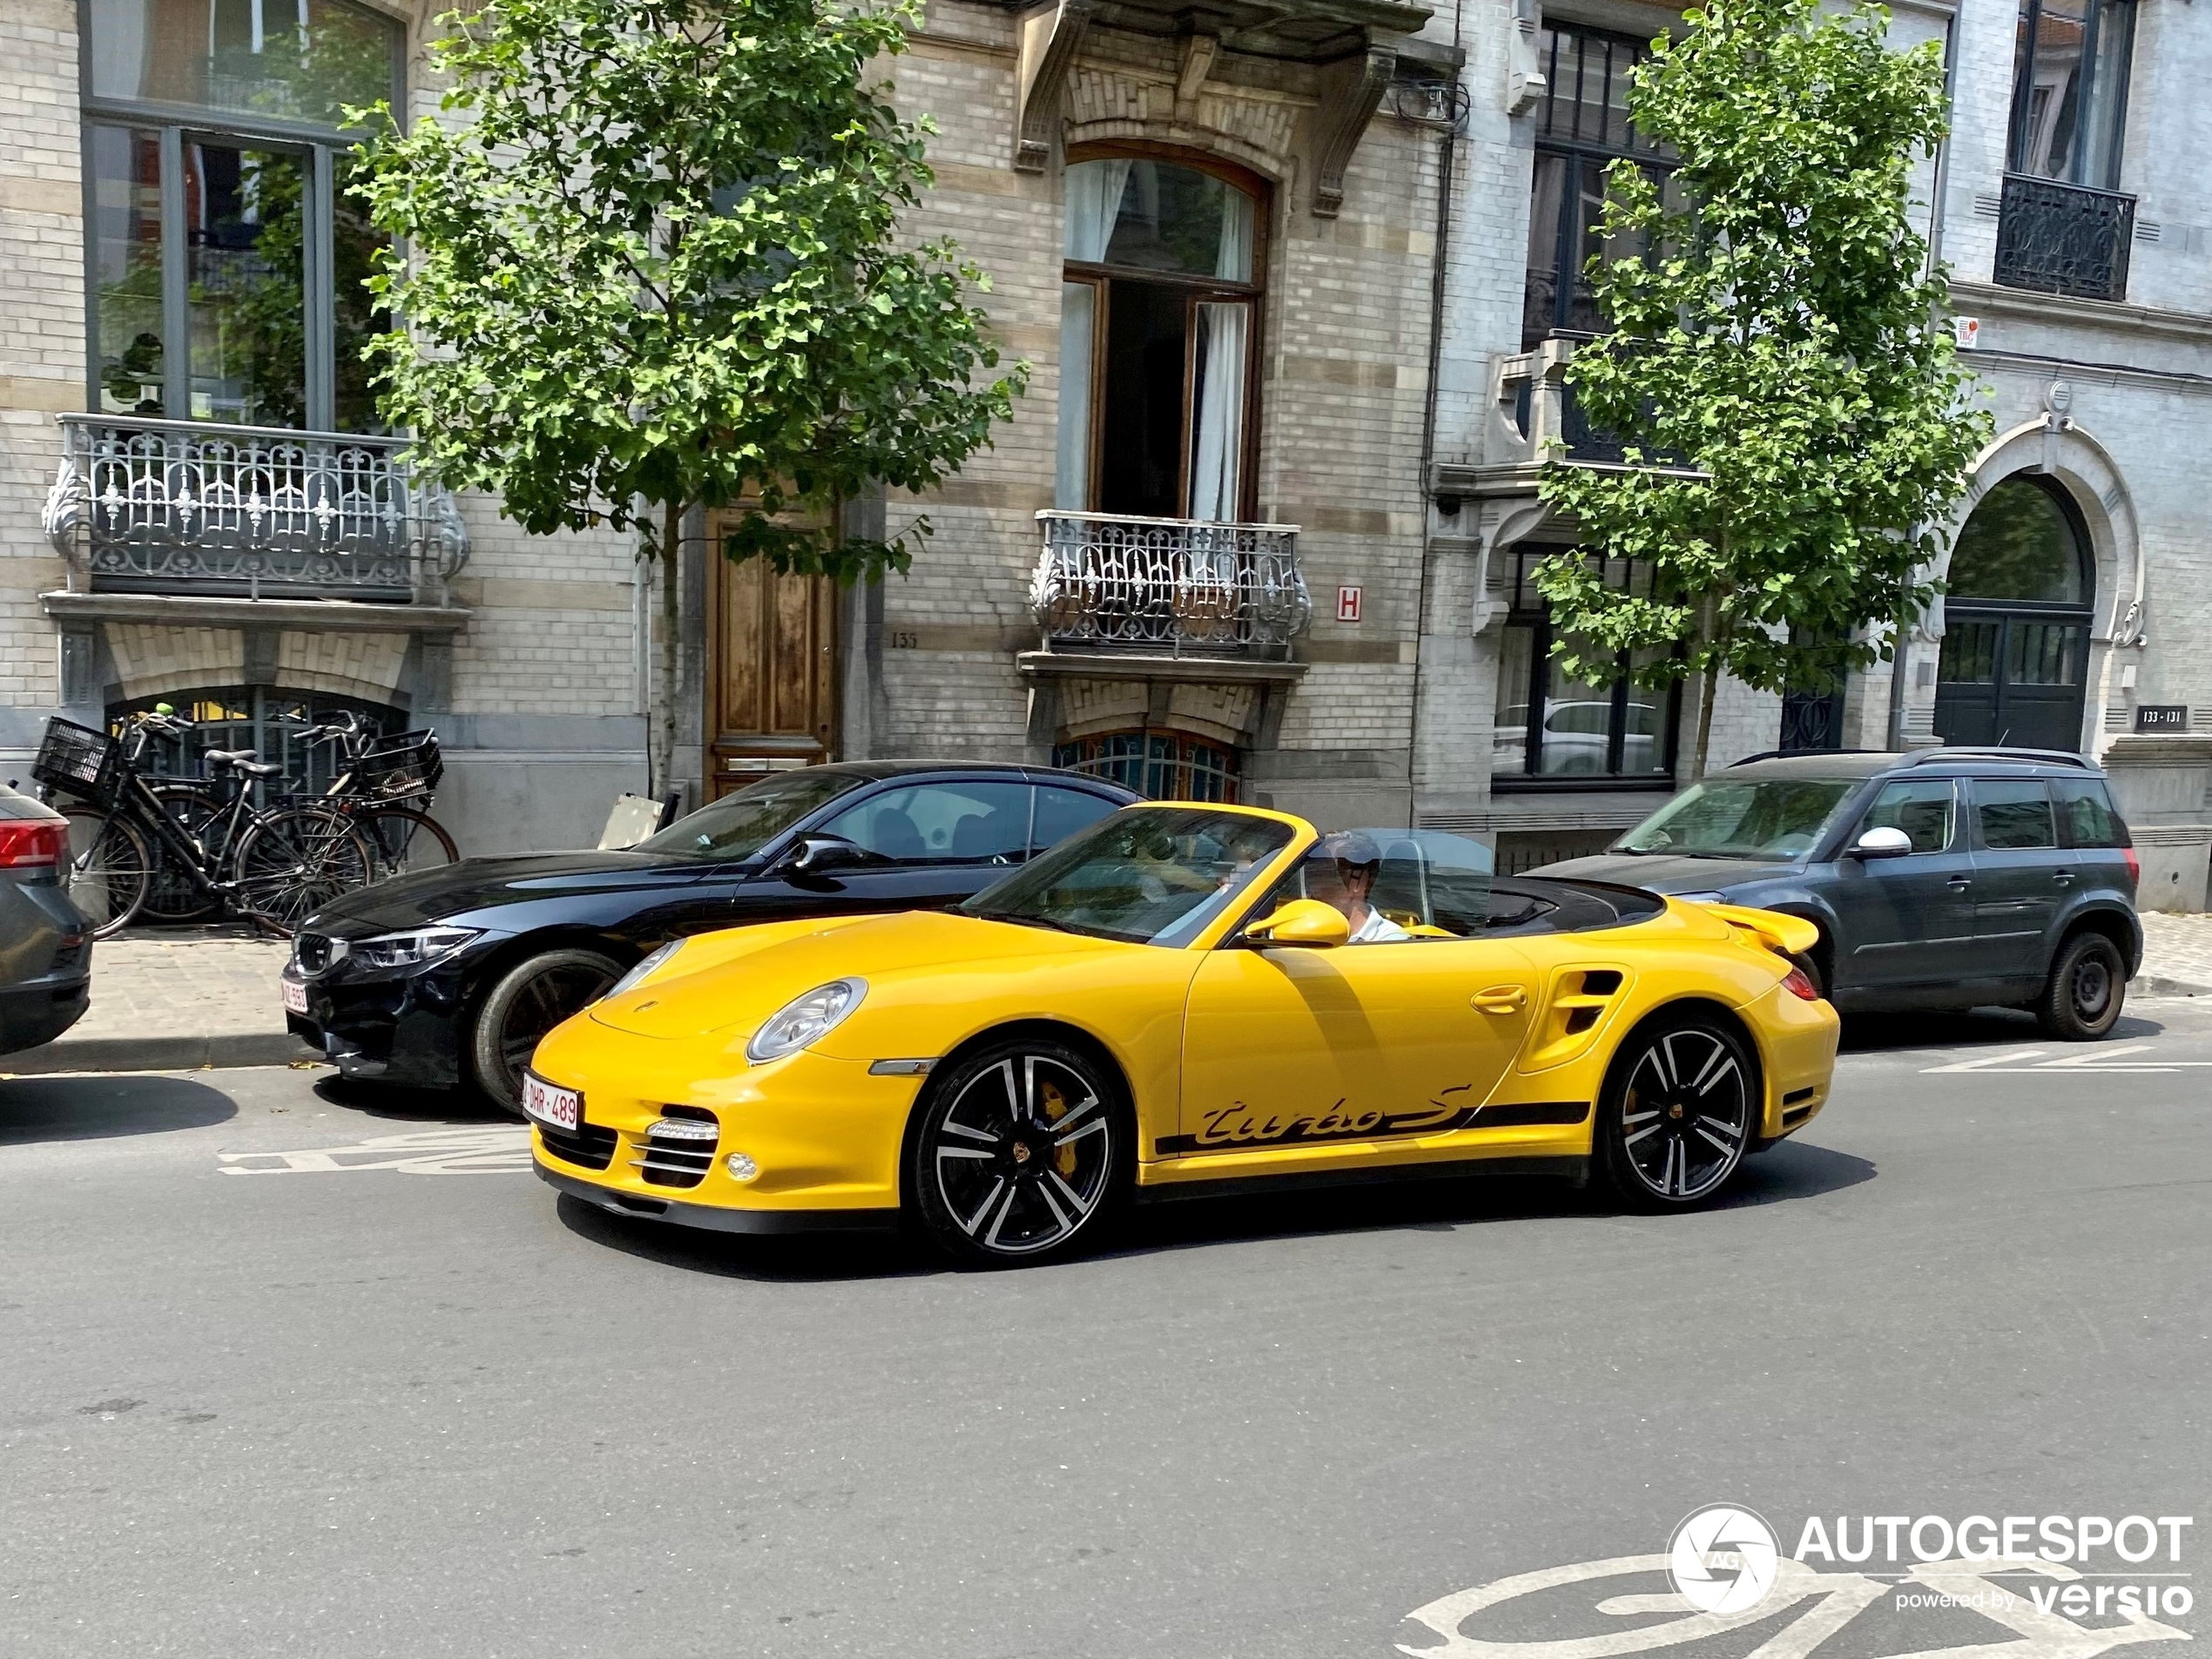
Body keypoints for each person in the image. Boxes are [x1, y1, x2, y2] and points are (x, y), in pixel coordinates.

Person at [1318, 831, 1408, 942]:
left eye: (1325, 875)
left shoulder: (1392, 942)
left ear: (1358, 882)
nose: (1315, 888)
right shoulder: (1303, 934)